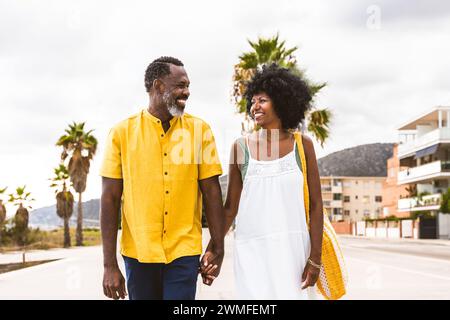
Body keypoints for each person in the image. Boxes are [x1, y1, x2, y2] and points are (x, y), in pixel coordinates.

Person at [100, 56, 225, 300]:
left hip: (183, 251)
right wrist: (109, 265)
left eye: (188, 86)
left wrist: (218, 246)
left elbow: (211, 191)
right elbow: (110, 199)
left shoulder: (201, 131)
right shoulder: (121, 134)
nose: (186, 92)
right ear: (158, 86)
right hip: (138, 251)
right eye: (180, 85)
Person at [202, 64, 324, 299]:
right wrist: (214, 248)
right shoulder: (240, 147)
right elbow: (230, 209)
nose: (254, 107)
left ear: (281, 102)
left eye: (262, 100)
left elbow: (317, 205)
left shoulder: (303, 145)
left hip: (294, 249)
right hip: (252, 248)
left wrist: (315, 258)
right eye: (253, 101)